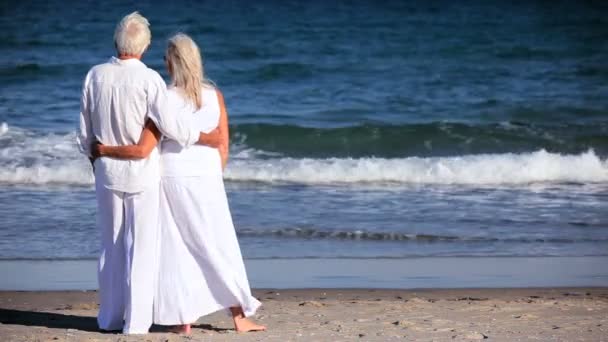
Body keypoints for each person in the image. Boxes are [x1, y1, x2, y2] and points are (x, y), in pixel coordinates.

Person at [92, 33, 265, 334]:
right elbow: (223, 143)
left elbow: (150, 144)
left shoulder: (164, 98)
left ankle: (183, 319)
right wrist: (213, 175)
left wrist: (105, 150)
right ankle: (239, 315)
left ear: (171, 63)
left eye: (165, 59)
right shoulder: (214, 96)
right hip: (207, 178)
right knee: (218, 244)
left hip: (170, 176)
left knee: (177, 247)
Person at [77, 12, 220, 334]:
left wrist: (95, 158)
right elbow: (169, 124)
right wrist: (196, 135)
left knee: (111, 246)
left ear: (118, 40)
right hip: (143, 174)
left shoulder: (95, 75)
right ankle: (136, 324)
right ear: (145, 46)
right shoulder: (149, 79)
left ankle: (110, 318)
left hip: (106, 171)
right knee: (141, 248)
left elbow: (84, 131)